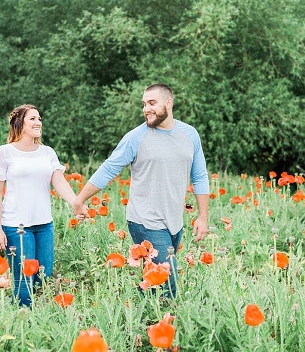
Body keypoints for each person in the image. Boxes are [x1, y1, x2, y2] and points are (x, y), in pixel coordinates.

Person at [73, 83, 210, 297]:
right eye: (144, 104)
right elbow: (109, 168)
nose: (146, 109)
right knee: (168, 284)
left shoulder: (189, 135)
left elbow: (200, 176)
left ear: (169, 103)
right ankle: (165, 323)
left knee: (155, 280)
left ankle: (138, 312)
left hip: (174, 220)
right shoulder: (136, 137)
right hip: (145, 220)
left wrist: (203, 216)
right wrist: (79, 200)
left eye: (152, 103)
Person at [0, 104, 83, 307]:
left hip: (43, 224)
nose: (38, 122)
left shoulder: (47, 152)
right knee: (23, 280)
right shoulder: (5, 153)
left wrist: (76, 202)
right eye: (32, 118)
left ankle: (35, 315)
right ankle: (22, 321)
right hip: (16, 226)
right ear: (19, 123)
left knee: (44, 274)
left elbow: (59, 181)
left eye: (39, 118)